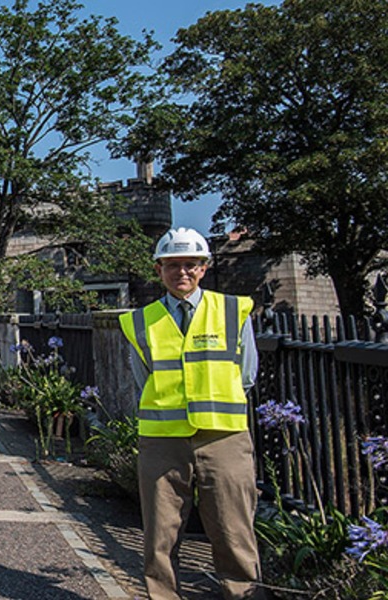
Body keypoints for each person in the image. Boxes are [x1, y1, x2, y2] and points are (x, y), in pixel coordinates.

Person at [119, 227, 262, 600]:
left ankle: (243, 594)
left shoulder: (231, 310)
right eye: (172, 265)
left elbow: (247, 373)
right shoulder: (141, 320)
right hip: (163, 439)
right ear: (159, 269)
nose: (181, 272)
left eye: (189, 264)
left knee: (234, 530)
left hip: (224, 437)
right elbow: (142, 377)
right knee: (160, 536)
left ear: (203, 268)